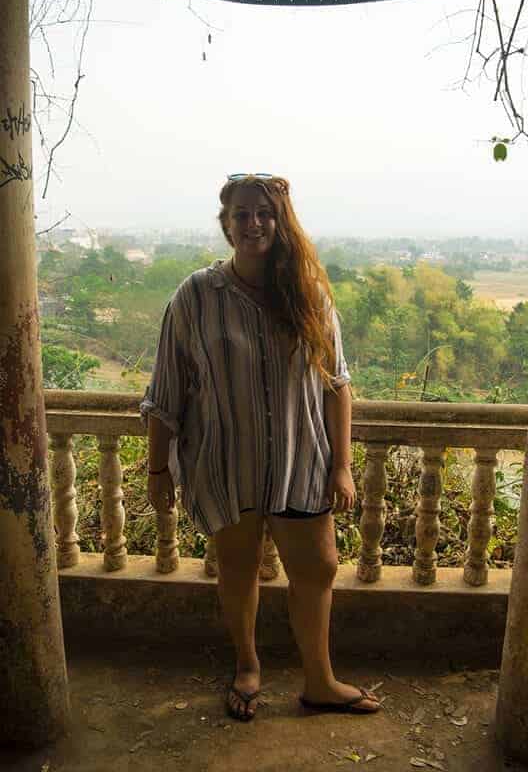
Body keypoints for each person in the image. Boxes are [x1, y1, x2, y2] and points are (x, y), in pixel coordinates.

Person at [141, 174, 381, 722]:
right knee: (238, 568)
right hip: (226, 464)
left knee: (318, 567)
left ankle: (319, 679)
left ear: (280, 222)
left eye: (264, 214)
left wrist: (341, 467)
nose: (253, 224)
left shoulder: (308, 294)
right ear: (225, 225)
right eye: (242, 214)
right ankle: (247, 666)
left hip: (301, 462)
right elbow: (165, 392)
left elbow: (337, 385)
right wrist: (158, 468)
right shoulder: (196, 296)